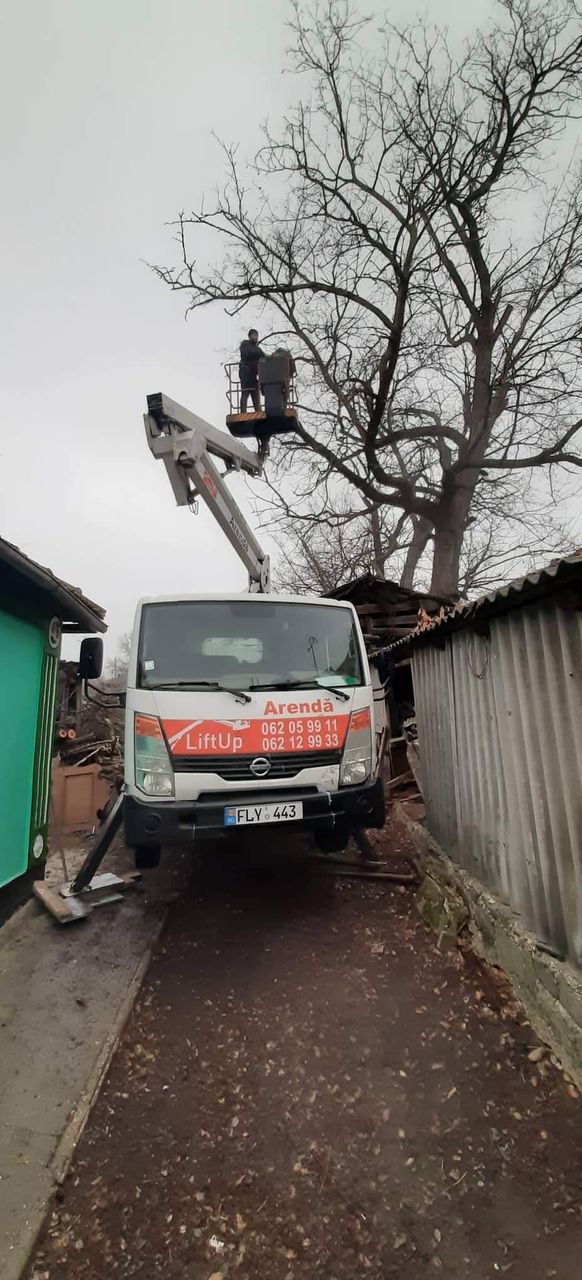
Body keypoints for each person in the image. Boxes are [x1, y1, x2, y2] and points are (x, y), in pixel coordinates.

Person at [238, 329, 265, 412]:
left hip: (253, 376)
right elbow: (250, 352)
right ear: (250, 336)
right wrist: (259, 353)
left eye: (257, 336)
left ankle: (258, 411)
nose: (256, 337)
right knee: (245, 393)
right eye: (254, 335)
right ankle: (243, 412)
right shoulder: (245, 345)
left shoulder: (257, 348)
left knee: (255, 394)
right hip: (245, 373)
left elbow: (263, 355)